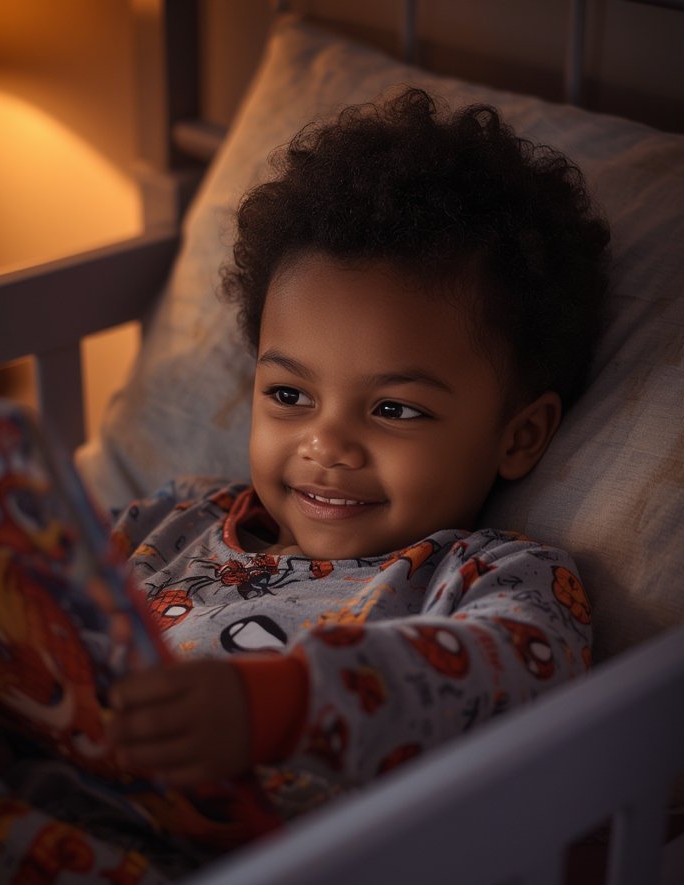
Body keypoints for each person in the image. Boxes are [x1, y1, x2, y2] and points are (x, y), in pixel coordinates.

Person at [107, 87, 610, 827]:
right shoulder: (170, 520)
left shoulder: (493, 579)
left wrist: (280, 707)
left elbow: (502, 675)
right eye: (289, 395)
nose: (326, 445)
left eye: (394, 409)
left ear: (520, 435)